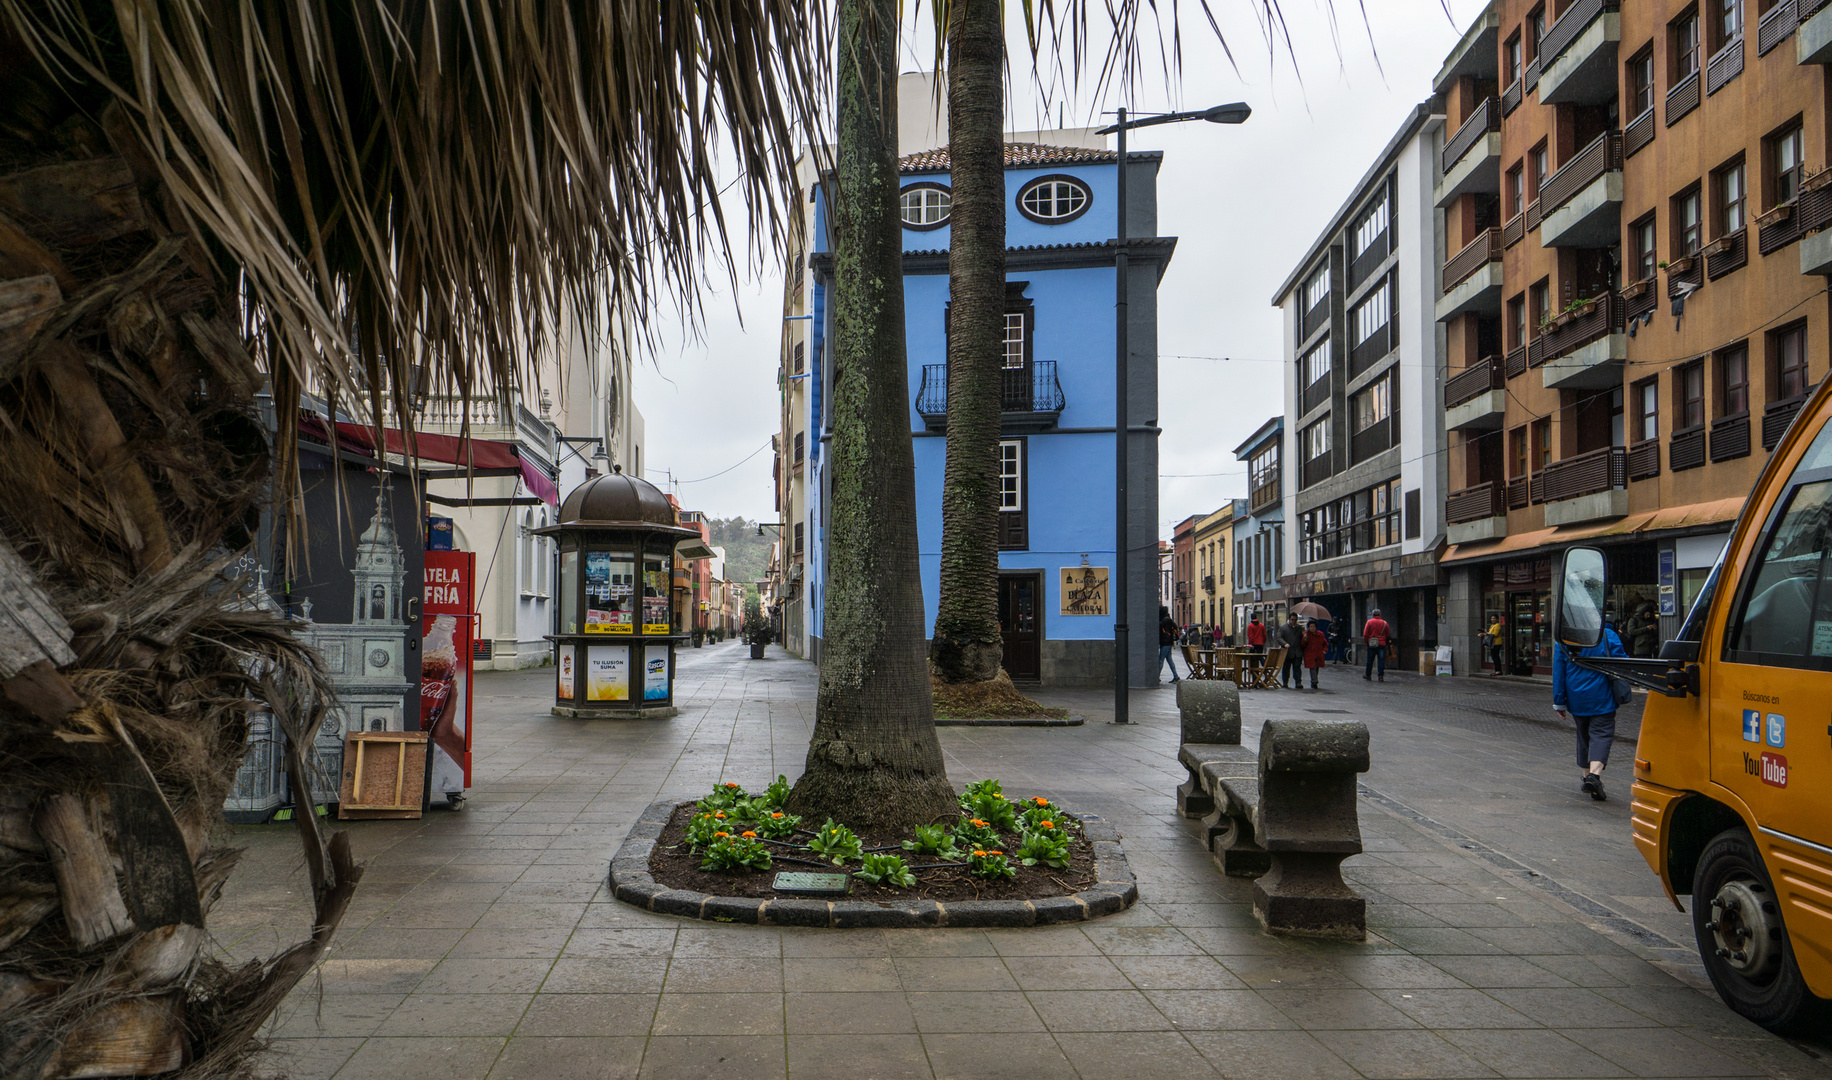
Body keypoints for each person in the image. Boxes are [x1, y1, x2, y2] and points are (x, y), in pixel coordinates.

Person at [1553, 622, 1630, 801]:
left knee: (1583, 735)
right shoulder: (1607, 635)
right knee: (1602, 734)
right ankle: (1594, 776)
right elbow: (1622, 660)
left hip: (1576, 696)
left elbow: (1559, 672)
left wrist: (1559, 701)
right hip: (1602, 693)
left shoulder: (1564, 638)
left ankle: (1585, 776)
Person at [1277, 611, 1305, 688]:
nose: (1293, 621)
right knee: (1286, 667)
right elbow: (1279, 637)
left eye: (1295, 620)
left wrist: (1304, 635)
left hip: (1297, 651)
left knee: (1297, 668)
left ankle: (1298, 682)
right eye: (1292, 619)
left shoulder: (1299, 628)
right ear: (1289, 619)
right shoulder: (1283, 627)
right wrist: (1284, 644)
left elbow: (1302, 638)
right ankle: (1285, 682)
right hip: (1287, 652)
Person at [1363, 607, 1391, 682]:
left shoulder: (1369, 622)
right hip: (1382, 644)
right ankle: (1380, 676)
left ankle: (1368, 675)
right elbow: (1388, 634)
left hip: (1372, 644)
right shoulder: (1384, 623)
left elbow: (1365, 634)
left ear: (1373, 615)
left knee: (1370, 660)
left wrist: (1367, 642)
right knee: (1381, 660)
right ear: (1380, 615)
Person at [1302, 619, 1330, 689]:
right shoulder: (1306, 634)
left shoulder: (1320, 634)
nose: (1312, 628)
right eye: (1311, 626)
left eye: (1313, 626)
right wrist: (1305, 639)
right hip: (1310, 655)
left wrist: (1324, 651)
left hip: (1318, 654)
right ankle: (1314, 681)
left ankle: (1313, 681)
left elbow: (1325, 644)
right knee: (1312, 668)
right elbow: (1302, 645)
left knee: (1316, 668)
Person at [1158, 606, 1182, 682]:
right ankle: (1176, 676)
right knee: (1169, 660)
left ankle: (1156, 676)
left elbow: (1159, 627)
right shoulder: (1168, 619)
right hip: (1169, 642)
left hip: (1165, 642)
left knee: (1161, 660)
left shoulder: (1164, 620)